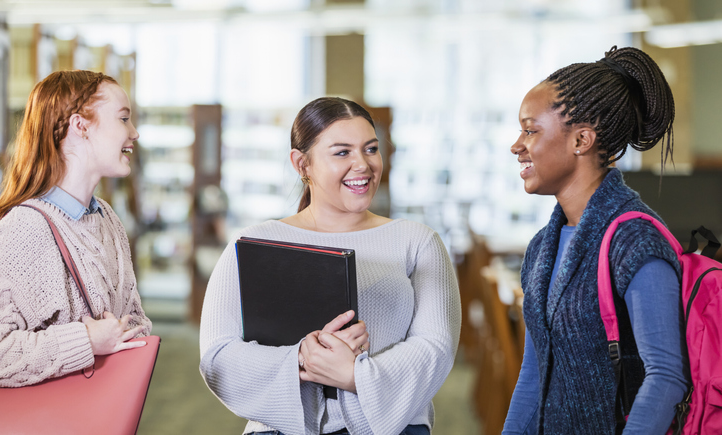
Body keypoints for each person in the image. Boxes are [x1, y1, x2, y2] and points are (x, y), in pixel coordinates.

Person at [199, 97, 461, 435]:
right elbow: (218, 355)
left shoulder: (417, 242)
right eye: (342, 152)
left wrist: (355, 376)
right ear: (302, 164)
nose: (363, 165)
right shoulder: (255, 243)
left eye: (370, 149)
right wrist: (302, 360)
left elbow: (436, 347)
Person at [503, 46, 688, 434]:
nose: (517, 145)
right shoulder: (542, 247)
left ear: (581, 140)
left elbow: (666, 378)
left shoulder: (635, 240)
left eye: (530, 130)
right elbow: (534, 374)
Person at [0, 70, 152, 387]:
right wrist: (86, 340)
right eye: (123, 118)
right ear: (80, 126)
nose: (134, 133)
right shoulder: (24, 230)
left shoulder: (107, 218)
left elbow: (134, 322)